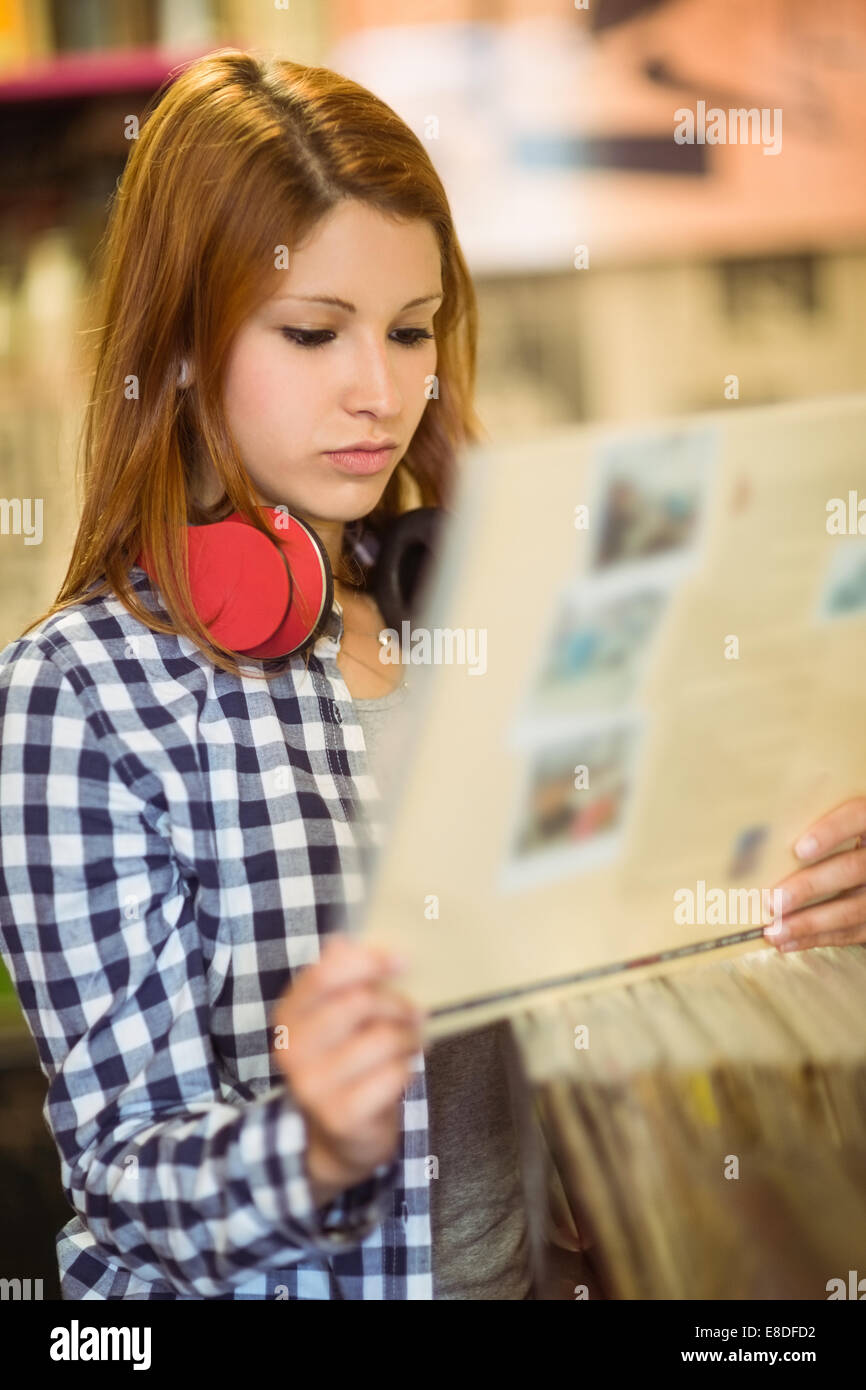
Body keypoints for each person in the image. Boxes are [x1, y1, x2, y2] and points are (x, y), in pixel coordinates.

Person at [0, 49, 548, 1299]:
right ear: (182, 346)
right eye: (313, 333)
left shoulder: (478, 624)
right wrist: (308, 1147)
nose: (380, 391)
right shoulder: (76, 695)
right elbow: (124, 1170)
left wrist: (777, 904)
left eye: (412, 332)